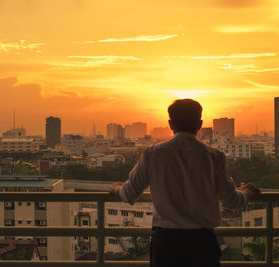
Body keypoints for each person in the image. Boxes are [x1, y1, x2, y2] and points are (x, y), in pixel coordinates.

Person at [109, 99, 261, 267]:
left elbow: (129, 193)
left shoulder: (153, 154)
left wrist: (116, 189)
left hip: (166, 242)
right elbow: (232, 202)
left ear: (170, 123)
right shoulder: (214, 157)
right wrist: (247, 192)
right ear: (200, 124)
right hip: (201, 242)